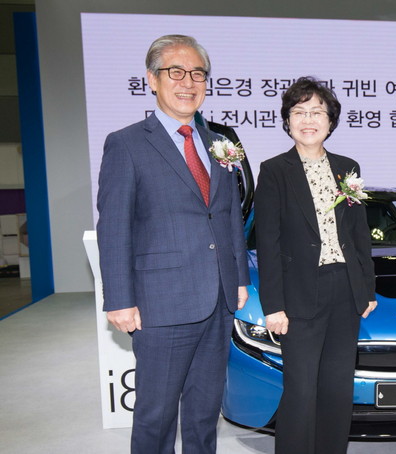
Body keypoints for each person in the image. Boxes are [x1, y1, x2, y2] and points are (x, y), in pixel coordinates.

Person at [96, 34, 250, 454]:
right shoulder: (126, 143)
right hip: (160, 304)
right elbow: (114, 226)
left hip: (218, 299)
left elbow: (228, 216)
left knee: (204, 413)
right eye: (176, 72)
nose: (188, 82)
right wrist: (119, 299)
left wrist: (238, 278)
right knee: (157, 416)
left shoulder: (218, 143)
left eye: (198, 73)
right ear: (152, 79)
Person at [255, 76, 377, 454]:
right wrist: (273, 305)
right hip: (298, 295)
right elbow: (268, 243)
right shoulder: (274, 170)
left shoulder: (347, 167)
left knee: (337, 389)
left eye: (317, 112)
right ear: (287, 121)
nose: (308, 120)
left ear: (330, 120)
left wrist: (367, 289)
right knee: (301, 390)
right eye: (299, 112)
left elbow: (359, 235)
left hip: (345, 290)